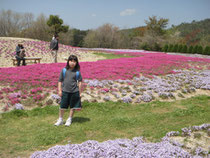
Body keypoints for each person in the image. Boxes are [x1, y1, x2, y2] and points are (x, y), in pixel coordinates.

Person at [55, 55, 83, 126]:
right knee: (62, 106)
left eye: (74, 61)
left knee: (72, 106)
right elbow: (60, 81)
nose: (72, 63)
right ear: (68, 61)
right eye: (71, 61)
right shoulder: (64, 70)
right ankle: (60, 119)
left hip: (74, 91)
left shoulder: (77, 72)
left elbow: (79, 82)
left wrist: (79, 92)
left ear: (76, 62)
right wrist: (59, 90)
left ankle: (69, 119)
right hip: (65, 91)